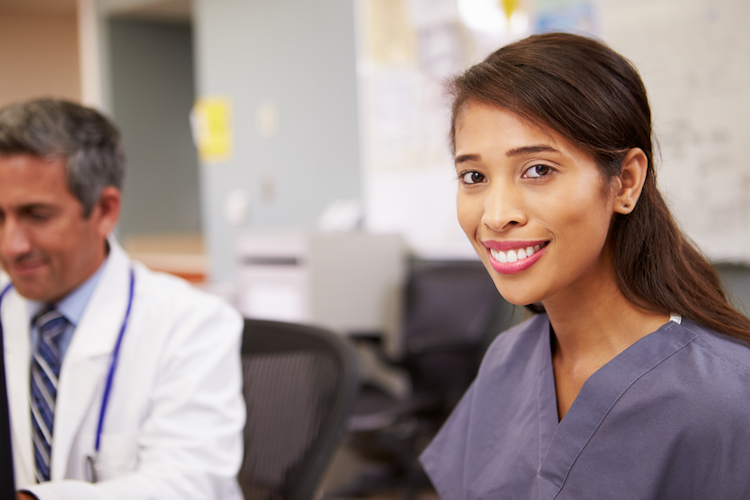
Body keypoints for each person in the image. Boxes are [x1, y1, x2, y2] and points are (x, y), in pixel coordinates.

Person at [419, 32, 750, 499]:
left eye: (538, 169)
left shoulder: (728, 399)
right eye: (474, 176)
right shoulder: (507, 362)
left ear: (625, 182)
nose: (495, 215)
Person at [0, 98, 246, 500]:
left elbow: (190, 485)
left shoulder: (192, 323)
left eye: (37, 215)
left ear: (104, 211)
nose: (12, 246)